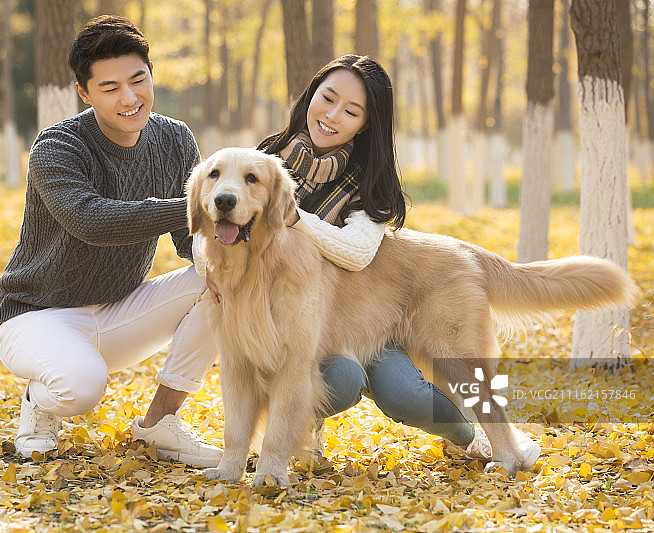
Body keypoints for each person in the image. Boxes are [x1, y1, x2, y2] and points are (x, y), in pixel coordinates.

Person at [189, 54, 494, 462]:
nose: (332, 115)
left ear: (365, 124)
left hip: (370, 313)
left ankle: (470, 435)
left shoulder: (369, 184)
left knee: (406, 396)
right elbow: (208, 216)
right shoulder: (260, 159)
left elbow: (356, 252)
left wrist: (293, 217)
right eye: (327, 97)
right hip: (308, 326)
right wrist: (203, 261)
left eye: (351, 111)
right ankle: (298, 440)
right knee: (341, 377)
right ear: (309, 95)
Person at [0, 15, 223, 468]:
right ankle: (40, 406)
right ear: (85, 92)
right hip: (37, 316)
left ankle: (160, 424)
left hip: (120, 312)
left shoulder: (176, 139)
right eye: (110, 87)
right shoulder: (57, 146)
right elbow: (91, 220)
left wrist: (219, 255)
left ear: (151, 74)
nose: (130, 98)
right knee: (79, 388)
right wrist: (197, 205)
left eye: (138, 80)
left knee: (222, 280)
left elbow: (188, 238)